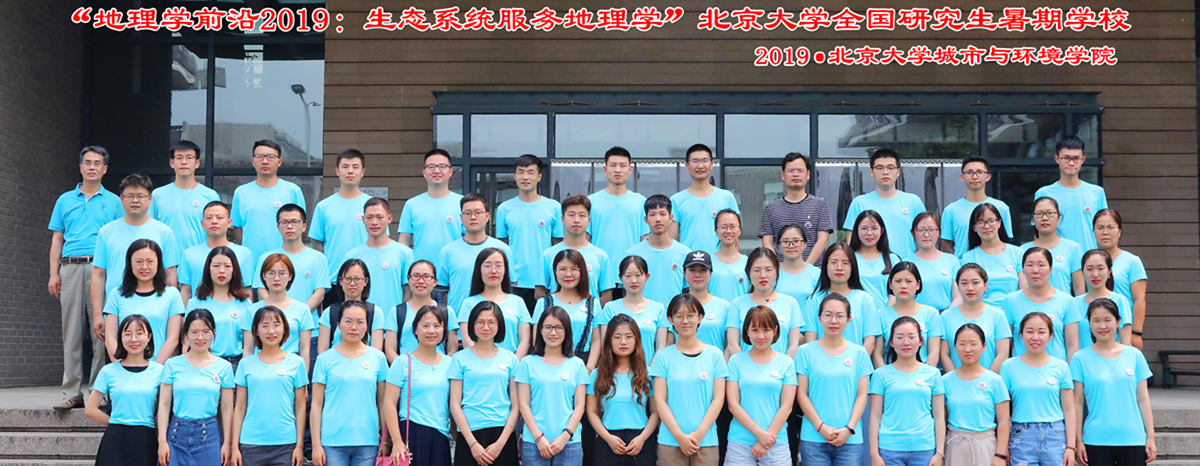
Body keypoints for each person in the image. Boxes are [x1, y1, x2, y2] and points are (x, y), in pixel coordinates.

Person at [49, 145, 125, 410]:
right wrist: (53, 273)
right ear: (80, 167)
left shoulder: (114, 202)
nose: (92, 167)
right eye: (88, 162)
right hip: (70, 267)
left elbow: (120, 238)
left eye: (97, 163)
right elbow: (57, 238)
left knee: (101, 332)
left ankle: (97, 391)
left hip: (100, 268)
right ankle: (71, 392)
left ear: (105, 169)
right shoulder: (64, 200)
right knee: (71, 332)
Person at [92, 174, 182, 344]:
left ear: (150, 199)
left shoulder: (164, 232)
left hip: (155, 312)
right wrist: (98, 314)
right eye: (130, 196)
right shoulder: (106, 232)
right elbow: (99, 274)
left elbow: (170, 274)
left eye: (140, 196)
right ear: (121, 198)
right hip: (117, 309)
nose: (135, 200)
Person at [1070, 299, 1156, 466]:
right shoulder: (1080, 358)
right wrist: (1078, 440)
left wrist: (1150, 436)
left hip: (1133, 438)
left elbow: (1143, 399)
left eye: (1108, 320)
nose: (1102, 326)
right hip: (1095, 439)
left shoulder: (1135, 356)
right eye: (1096, 320)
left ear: (1118, 322)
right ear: (1089, 323)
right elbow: (1078, 402)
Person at [796, 294, 873, 466]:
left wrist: (849, 428)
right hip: (814, 436)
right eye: (828, 315)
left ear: (849, 319)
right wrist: (820, 427)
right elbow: (801, 394)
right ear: (819, 318)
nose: (833, 321)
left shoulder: (859, 353)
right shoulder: (805, 352)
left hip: (850, 438)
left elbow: (862, 395)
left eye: (839, 316)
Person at [652, 294, 728, 466]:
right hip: (670, 441)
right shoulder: (663, 356)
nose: (685, 321)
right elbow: (660, 400)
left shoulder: (715, 355)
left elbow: (718, 398)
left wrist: (699, 434)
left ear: (700, 318)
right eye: (679, 316)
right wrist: (679, 436)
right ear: (671, 320)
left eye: (691, 315)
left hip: (706, 441)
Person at [310, 300, 389, 466]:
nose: (354, 327)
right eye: (348, 321)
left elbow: (382, 402)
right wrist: (316, 445)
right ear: (338, 324)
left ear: (367, 326)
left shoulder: (378, 358)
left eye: (360, 322)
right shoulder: (324, 359)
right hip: (332, 442)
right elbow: (316, 404)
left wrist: (385, 440)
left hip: (368, 441)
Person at [231, 305, 309, 466]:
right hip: (251, 442)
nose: (271, 331)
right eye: (265, 326)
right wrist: (234, 447)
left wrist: (299, 446)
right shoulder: (245, 363)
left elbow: (300, 407)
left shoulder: (296, 362)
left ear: (284, 329)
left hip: (286, 442)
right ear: (256, 331)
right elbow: (239, 407)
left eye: (276, 325)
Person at [156, 309, 235, 466]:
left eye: (206, 332)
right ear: (186, 335)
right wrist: (162, 441)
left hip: (209, 435)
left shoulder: (224, 367)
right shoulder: (172, 365)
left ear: (213, 333)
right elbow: (164, 405)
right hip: (176, 435)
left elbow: (227, 408)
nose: (200, 337)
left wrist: (227, 443)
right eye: (194, 332)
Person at [450, 301, 522, 466]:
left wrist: (501, 443)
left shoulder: (510, 358)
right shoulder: (459, 358)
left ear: (499, 325)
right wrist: (472, 444)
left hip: (502, 433)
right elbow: (454, 404)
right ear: (472, 325)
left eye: (491, 322)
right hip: (469, 433)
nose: (486, 327)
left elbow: (516, 405)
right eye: (480, 322)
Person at [1000, 313, 1077, 466]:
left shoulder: (1061, 367)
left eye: (1041, 332)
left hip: (1055, 435)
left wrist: (1071, 447)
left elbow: (1069, 409)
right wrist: (1003, 447)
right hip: (1021, 436)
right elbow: (1003, 412)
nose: (1035, 337)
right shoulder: (1008, 366)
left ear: (1050, 336)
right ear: (1021, 335)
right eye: (1029, 331)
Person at [86, 314, 164, 466]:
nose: (133, 339)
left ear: (149, 337)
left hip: (146, 439)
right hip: (115, 440)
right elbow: (90, 409)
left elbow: (165, 408)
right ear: (120, 338)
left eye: (139, 333)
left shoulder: (160, 371)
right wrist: (116, 422)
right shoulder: (108, 371)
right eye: (127, 334)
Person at [517, 306, 591, 466]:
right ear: (540, 330)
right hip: (534, 442)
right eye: (548, 327)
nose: (553, 333)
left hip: (569, 442)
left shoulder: (577, 364)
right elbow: (523, 404)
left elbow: (580, 406)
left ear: (567, 331)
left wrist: (566, 435)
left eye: (559, 328)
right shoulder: (527, 363)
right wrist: (538, 438)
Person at [868, 317, 946, 466]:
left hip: (925, 449)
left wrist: (939, 453)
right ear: (891, 342)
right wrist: (874, 454)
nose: (906, 342)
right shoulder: (880, 374)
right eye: (899, 337)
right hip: (890, 449)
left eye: (911, 337)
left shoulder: (933, 374)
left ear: (920, 341)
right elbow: (875, 416)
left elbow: (939, 415)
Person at [726, 306, 798, 466]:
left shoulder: (786, 363)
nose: (760, 336)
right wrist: (759, 434)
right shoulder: (735, 361)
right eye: (755, 330)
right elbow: (733, 404)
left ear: (775, 330)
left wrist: (767, 438)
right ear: (747, 331)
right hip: (740, 443)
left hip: (776, 442)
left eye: (766, 330)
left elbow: (786, 406)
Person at [252, 204, 329, 350]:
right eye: (284, 222)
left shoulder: (318, 258)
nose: (289, 226)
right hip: (272, 332)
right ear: (278, 227)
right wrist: (279, 321)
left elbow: (319, 294)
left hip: (308, 331)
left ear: (304, 226)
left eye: (294, 222)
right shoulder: (267, 258)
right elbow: (262, 292)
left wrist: (297, 317)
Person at [384, 305, 453, 466]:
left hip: (441, 435)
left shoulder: (450, 363)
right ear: (415, 329)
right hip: (413, 433)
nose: (431, 331)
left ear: (443, 330)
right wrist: (397, 441)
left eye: (437, 326)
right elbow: (389, 403)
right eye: (425, 325)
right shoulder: (402, 362)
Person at [588, 314, 659, 466]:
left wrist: (642, 438)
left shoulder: (648, 374)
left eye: (629, 336)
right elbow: (591, 412)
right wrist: (608, 438)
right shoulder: (597, 374)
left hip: (641, 440)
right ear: (609, 341)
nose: (623, 342)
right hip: (608, 440)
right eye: (617, 337)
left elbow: (655, 412)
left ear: (636, 340)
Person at [310, 149, 378, 307]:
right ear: (337, 171)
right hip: (334, 281)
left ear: (362, 172)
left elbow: (379, 241)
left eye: (355, 167)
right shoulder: (323, 207)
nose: (350, 171)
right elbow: (318, 244)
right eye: (345, 166)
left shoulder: (372, 206)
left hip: (366, 280)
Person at [102, 239, 184, 365]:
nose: (144, 267)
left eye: (150, 261)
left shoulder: (172, 295)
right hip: (124, 368)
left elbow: (172, 339)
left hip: (160, 368)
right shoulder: (116, 295)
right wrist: (121, 367)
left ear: (158, 263)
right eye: (139, 261)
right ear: (130, 263)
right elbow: (110, 338)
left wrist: (154, 369)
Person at [497, 154, 563, 307]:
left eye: (530, 172)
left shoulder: (554, 207)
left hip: (546, 281)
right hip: (514, 282)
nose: (525, 177)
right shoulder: (504, 209)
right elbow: (502, 247)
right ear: (515, 176)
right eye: (520, 172)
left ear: (539, 176)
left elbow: (557, 246)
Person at [941, 324, 1011, 466]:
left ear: (983, 346)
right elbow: (941, 419)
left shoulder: (995, 380)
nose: (968, 349)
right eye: (962, 344)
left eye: (973, 344)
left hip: (985, 445)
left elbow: (1004, 421)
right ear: (955, 347)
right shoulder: (945, 381)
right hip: (955, 445)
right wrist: (940, 453)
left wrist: (1000, 454)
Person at [231, 139, 306, 266]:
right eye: (260, 157)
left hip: (285, 263)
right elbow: (238, 229)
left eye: (271, 157)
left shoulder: (293, 191)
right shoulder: (241, 192)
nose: (265, 161)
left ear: (279, 162)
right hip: (251, 263)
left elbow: (301, 228)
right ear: (253, 161)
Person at [588, 147, 650, 298]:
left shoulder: (640, 202)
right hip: (599, 273)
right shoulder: (592, 202)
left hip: (631, 276)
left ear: (630, 169)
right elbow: (585, 240)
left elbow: (645, 240)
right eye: (613, 165)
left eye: (622, 166)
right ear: (605, 169)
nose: (617, 170)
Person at [437, 192, 513, 313]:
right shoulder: (447, 252)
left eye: (478, 212)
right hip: (458, 319)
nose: (473, 217)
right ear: (461, 217)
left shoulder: (502, 250)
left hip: (494, 319)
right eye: (467, 213)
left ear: (487, 216)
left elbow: (509, 288)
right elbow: (442, 291)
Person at [842, 149, 926, 257]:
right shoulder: (859, 203)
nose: (885, 172)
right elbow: (851, 241)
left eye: (890, 168)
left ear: (898, 172)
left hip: (906, 265)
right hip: (869, 265)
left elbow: (925, 237)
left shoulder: (913, 202)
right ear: (871, 172)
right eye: (879, 168)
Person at [1003, 247, 1080, 362]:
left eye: (1041, 265)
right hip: (1021, 369)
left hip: (1057, 370)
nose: (1035, 270)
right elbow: (1005, 345)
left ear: (1050, 269)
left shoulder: (1066, 301)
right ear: (1023, 269)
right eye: (1030, 265)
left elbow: (1072, 345)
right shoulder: (1010, 301)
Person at [342, 197, 414, 317]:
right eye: (369, 217)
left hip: (393, 323)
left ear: (389, 219)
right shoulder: (352, 256)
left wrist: (400, 318)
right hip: (361, 323)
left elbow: (409, 292)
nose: (374, 222)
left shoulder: (405, 253)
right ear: (363, 219)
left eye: (380, 217)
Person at [242, 254, 315, 371]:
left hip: (291, 369)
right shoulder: (252, 310)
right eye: (271, 273)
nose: (276, 278)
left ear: (290, 276)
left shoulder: (302, 310)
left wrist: (303, 378)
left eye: (282, 273)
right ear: (264, 276)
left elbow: (305, 350)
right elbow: (248, 349)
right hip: (259, 369)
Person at [726, 248, 804, 358]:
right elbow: (733, 345)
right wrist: (744, 365)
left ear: (777, 271)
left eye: (768, 270)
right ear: (748, 272)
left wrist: (784, 366)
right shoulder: (737, 304)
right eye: (757, 270)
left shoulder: (790, 303)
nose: (763, 275)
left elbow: (793, 346)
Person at [803, 243, 880, 354]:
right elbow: (810, 341)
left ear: (852, 267)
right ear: (825, 266)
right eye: (834, 262)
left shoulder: (864, 299)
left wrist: (857, 362)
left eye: (845, 263)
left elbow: (869, 341)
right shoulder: (814, 300)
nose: (839, 268)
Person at [1035, 136, 1108, 251]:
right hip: (1056, 257)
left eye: (1076, 158)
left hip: (1089, 256)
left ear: (1083, 160)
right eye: (1066, 158)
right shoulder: (1044, 193)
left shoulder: (1097, 192)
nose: (1071, 163)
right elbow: (1037, 232)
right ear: (1057, 159)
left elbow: (1105, 229)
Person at [759, 152, 833, 265]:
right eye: (791, 171)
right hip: (780, 271)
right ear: (783, 175)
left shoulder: (820, 205)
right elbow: (767, 242)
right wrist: (777, 267)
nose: (796, 174)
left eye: (800, 170)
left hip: (813, 271)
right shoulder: (770, 208)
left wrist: (806, 268)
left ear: (808, 175)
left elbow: (822, 240)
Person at [534, 249, 603, 370]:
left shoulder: (593, 304)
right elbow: (537, 339)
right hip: (550, 365)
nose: (568, 274)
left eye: (574, 269)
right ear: (555, 272)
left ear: (582, 272)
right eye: (562, 269)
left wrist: (588, 370)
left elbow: (596, 341)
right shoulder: (543, 303)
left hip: (584, 364)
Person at [540, 194, 614, 304]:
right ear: (562, 219)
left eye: (582, 215)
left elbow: (607, 294)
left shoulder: (600, 256)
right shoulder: (548, 255)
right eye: (571, 215)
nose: (576, 220)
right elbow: (540, 292)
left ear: (589, 220)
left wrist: (593, 312)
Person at [187, 246, 253, 369]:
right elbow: (187, 343)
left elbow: (248, 347)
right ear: (208, 269)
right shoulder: (195, 303)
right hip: (203, 363)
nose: (221, 271)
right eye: (216, 266)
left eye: (227, 266)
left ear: (234, 269)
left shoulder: (245, 304)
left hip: (236, 364)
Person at [459, 248, 532, 355]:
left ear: (505, 269)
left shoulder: (518, 302)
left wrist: (514, 362)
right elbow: (467, 341)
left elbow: (525, 340)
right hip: (478, 362)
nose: (493, 271)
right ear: (479, 270)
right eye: (487, 266)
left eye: (498, 265)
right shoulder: (469, 303)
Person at [870, 262, 944, 368]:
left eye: (909, 281)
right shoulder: (880, 315)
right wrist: (884, 375)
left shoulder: (931, 314)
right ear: (890, 284)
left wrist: (926, 375)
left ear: (918, 284)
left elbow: (934, 352)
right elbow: (877, 354)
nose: (903, 286)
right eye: (898, 281)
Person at [940, 265, 1011, 373]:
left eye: (975, 283)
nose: (970, 288)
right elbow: (944, 354)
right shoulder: (946, 316)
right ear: (958, 286)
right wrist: (955, 379)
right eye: (964, 283)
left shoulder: (998, 315)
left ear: (985, 285)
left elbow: (1003, 354)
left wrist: (988, 380)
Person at [179, 201, 254, 305]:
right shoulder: (189, 254)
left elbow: (247, 290)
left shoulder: (244, 254)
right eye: (209, 218)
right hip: (199, 312)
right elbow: (186, 290)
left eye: (219, 217)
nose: (214, 221)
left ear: (229, 222)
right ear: (202, 223)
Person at [1093, 209, 1147, 350]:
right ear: (1093, 232)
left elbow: (1139, 299)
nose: (1105, 232)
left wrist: (1136, 332)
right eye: (1100, 228)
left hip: (1123, 329)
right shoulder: (1088, 261)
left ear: (1119, 232)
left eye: (1110, 227)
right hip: (1095, 329)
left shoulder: (1132, 261)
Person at [151, 140, 220, 250]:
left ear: (197, 163)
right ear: (172, 163)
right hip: (166, 258)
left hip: (200, 258)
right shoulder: (157, 195)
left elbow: (217, 233)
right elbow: (151, 229)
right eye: (179, 158)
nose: (184, 162)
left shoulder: (210, 196)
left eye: (189, 158)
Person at [598, 256, 669, 362]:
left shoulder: (658, 309)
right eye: (628, 276)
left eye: (638, 275)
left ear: (647, 276)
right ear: (620, 278)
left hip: (648, 370)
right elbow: (606, 346)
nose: (634, 281)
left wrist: (650, 371)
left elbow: (660, 348)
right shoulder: (610, 308)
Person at [624, 194, 691, 306]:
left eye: (662, 214)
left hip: (675, 315)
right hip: (641, 315)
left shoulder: (684, 253)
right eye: (653, 214)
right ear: (646, 219)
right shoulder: (633, 254)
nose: (658, 219)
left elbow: (688, 292)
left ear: (671, 218)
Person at [671, 143, 740, 252]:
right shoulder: (676, 200)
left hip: (719, 260)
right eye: (695, 161)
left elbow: (734, 238)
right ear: (687, 165)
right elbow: (672, 241)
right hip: (689, 260)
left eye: (705, 161)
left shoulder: (727, 197)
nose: (700, 166)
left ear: (711, 164)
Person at [940, 157, 1013, 258]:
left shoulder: (1002, 208)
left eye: (980, 172)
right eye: (969, 172)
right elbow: (946, 244)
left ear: (988, 177)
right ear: (962, 177)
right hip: (963, 265)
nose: (975, 177)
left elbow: (1006, 240)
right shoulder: (950, 210)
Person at [385, 261, 458, 361]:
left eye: (426, 276)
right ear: (408, 280)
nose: (420, 281)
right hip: (407, 369)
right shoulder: (397, 312)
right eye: (415, 276)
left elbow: (452, 349)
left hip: (439, 369)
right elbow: (390, 349)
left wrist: (443, 368)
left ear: (435, 282)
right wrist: (404, 368)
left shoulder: (447, 311)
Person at [399, 148, 463, 263]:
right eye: (431, 167)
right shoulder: (411, 205)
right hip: (421, 271)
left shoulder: (462, 203)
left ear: (450, 172)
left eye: (442, 166)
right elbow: (403, 242)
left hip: (453, 268)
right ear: (424, 172)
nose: (436, 171)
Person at [961, 204, 1025, 308]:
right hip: (982, 312)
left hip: (1014, 310)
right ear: (974, 227)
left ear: (999, 223)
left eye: (991, 221)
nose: (987, 226)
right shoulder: (968, 258)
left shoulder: (1017, 253)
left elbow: (1024, 289)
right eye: (980, 222)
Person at [318, 259, 385, 353]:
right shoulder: (329, 312)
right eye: (348, 279)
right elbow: (322, 351)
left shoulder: (375, 312)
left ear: (365, 282)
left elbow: (376, 352)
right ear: (340, 281)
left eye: (357, 279)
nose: (352, 283)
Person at [1021, 197, 1085, 296]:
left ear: (1058, 217)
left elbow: (1079, 289)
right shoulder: (1022, 250)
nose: (1044, 218)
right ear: (1033, 219)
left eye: (1050, 213)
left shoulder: (1072, 248)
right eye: (1039, 214)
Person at [904, 213, 961, 311]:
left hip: (947, 313)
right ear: (913, 233)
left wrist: (947, 315)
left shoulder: (952, 261)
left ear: (939, 232)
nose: (926, 235)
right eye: (921, 230)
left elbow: (958, 296)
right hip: (917, 315)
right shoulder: (906, 263)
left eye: (931, 230)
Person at [1074, 250, 1133, 346]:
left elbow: (1125, 343)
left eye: (1100, 269)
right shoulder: (1073, 303)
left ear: (1109, 272)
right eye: (1089, 269)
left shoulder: (1120, 301)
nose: (1095, 274)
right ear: (1083, 272)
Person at [847, 210, 903, 308]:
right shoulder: (848, 258)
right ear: (856, 230)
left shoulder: (893, 260)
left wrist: (887, 313)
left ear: (882, 231)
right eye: (864, 228)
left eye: (874, 228)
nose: (869, 233)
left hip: (888, 313)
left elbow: (898, 292)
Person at [682, 250, 733, 350]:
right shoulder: (675, 305)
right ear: (684, 274)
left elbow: (729, 345)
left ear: (710, 274)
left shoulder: (724, 306)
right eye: (692, 270)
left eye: (703, 270)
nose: (697, 275)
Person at [775, 225, 822, 308]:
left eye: (796, 241)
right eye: (785, 242)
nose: (791, 246)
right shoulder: (773, 273)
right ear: (778, 246)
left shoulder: (817, 274)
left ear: (805, 244)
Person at [709, 209, 749, 301]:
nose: (728, 231)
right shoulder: (708, 262)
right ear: (716, 231)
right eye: (723, 227)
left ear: (740, 230)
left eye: (733, 226)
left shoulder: (747, 262)